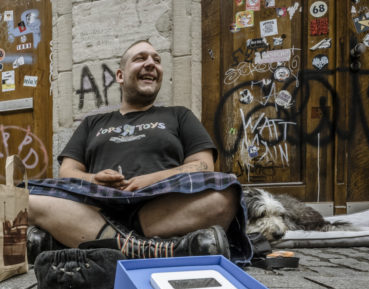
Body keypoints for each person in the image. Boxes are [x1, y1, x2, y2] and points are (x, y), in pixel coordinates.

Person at [26, 40, 252, 264]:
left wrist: (150, 180)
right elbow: (67, 171)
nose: (151, 64)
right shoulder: (92, 123)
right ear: (120, 76)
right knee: (26, 199)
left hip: (159, 208)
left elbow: (203, 165)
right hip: (98, 208)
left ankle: (98, 243)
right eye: (140, 58)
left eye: (157, 60)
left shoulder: (179, 115)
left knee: (225, 194)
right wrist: (94, 179)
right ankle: (154, 249)